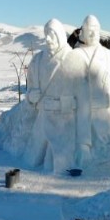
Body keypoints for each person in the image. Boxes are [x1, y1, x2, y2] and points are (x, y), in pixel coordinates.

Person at [25, 19, 91, 171]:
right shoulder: (37, 61)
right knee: (35, 163)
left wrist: (84, 142)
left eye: (52, 34)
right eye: (46, 34)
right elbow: (30, 91)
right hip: (42, 123)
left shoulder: (75, 59)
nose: (48, 38)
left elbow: (84, 102)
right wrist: (31, 97)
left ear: (61, 35)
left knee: (57, 166)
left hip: (65, 124)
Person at [74, 15, 110, 151]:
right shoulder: (75, 54)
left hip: (105, 118)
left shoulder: (109, 55)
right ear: (83, 32)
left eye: (96, 30)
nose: (93, 33)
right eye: (89, 30)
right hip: (83, 119)